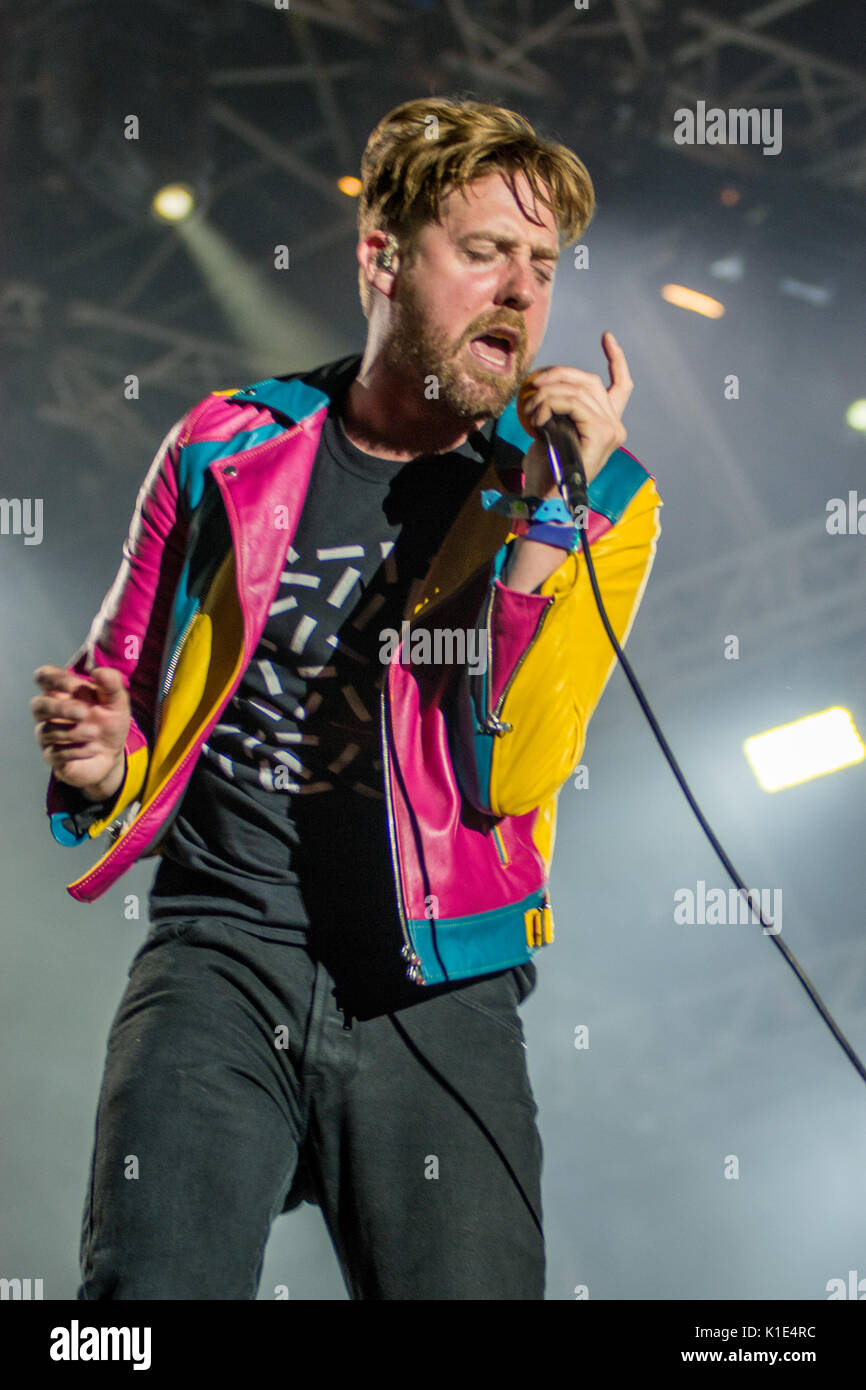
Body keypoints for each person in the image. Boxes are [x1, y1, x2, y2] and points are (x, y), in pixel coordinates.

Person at [30, 96, 662, 1300]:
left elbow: (509, 773)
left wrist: (547, 522)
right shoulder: (228, 445)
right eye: (484, 253)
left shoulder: (601, 506)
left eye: (542, 266)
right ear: (380, 257)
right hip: (221, 951)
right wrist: (101, 758)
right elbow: (121, 689)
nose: (522, 292)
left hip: (438, 983)